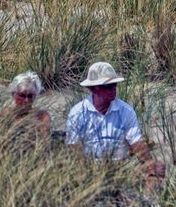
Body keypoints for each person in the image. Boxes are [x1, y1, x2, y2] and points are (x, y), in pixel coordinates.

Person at [66, 62, 165, 190]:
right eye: (108, 86)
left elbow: (137, 144)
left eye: (115, 85)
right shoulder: (78, 112)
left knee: (158, 167)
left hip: (120, 170)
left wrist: (149, 163)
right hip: (89, 171)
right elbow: (74, 152)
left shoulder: (126, 111)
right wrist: (88, 174)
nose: (113, 89)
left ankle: (145, 204)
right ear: (94, 88)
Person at [6, 71, 50, 138]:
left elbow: (44, 141)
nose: (26, 100)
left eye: (30, 96)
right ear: (14, 95)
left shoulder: (42, 116)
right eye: (22, 96)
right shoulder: (6, 115)